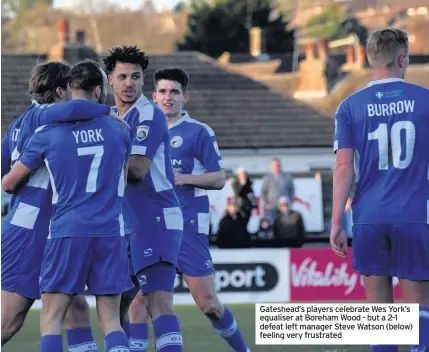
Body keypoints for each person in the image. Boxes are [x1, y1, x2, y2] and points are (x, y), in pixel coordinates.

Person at [2, 60, 131, 352]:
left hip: (54, 227)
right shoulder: (47, 117)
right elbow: (78, 108)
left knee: (77, 312)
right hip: (31, 228)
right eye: (70, 88)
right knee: (9, 322)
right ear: (61, 91)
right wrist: (108, 111)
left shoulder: (18, 125)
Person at [126, 67, 251, 351]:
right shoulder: (139, 129)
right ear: (153, 96)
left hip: (188, 226)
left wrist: (184, 178)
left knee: (209, 305)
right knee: (137, 306)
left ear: (185, 97)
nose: (168, 98)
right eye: (162, 92)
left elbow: (219, 178)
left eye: (174, 92)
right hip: (151, 226)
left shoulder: (198, 132)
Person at [331, 28, 429, 352]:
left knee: (380, 315)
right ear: (402, 59)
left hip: (368, 217)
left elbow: (344, 168)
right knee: (419, 310)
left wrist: (335, 224)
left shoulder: (348, 107)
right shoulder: (425, 100)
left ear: (369, 60)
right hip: (414, 214)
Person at [103, 47, 184, 351]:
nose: (129, 82)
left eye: (136, 76)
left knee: (158, 302)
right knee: (116, 305)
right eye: (122, 76)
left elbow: (136, 170)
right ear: (110, 80)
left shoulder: (148, 113)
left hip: (156, 218)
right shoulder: (110, 117)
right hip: (125, 223)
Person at [260, 158, 295, 224]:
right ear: (271, 166)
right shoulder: (267, 178)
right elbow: (263, 191)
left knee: (285, 223)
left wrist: (290, 202)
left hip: (284, 206)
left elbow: (292, 190)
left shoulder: (287, 177)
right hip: (272, 206)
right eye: (274, 165)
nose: (276, 167)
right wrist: (266, 203)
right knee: (272, 223)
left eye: (278, 165)